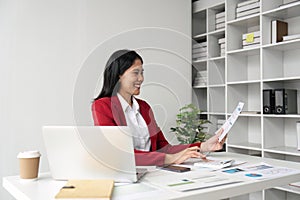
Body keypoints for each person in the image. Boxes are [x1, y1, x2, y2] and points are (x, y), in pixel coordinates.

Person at [92, 49, 226, 166]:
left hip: (153, 171)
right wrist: (169, 159)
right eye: (135, 73)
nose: (141, 78)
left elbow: (164, 148)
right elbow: (118, 154)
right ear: (119, 75)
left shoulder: (144, 107)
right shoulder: (102, 106)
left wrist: (203, 146)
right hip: (126, 175)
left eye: (142, 73)